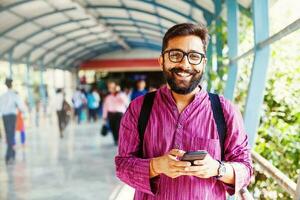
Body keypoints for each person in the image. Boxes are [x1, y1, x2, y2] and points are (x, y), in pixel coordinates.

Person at [115, 23, 253, 199]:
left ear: (203, 63)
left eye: (194, 56)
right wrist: (156, 166)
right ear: (162, 61)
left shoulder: (225, 111)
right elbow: (122, 166)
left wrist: (217, 168)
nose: (184, 64)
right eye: (175, 55)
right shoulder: (139, 108)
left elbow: (246, 169)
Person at [0, 78, 25, 164]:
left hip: (5, 116)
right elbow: (21, 106)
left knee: (8, 134)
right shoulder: (15, 95)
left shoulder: (2, 96)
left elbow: (0, 108)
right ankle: (9, 155)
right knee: (11, 134)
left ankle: (11, 153)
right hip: (12, 116)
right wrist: (23, 112)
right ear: (11, 84)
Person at [102, 81, 129, 145]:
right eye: (110, 87)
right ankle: (116, 140)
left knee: (119, 128)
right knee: (112, 128)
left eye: (113, 87)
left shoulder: (122, 95)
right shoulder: (108, 97)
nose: (111, 89)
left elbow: (126, 103)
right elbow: (105, 107)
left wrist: (119, 93)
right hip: (111, 114)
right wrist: (104, 116)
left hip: (119, 114)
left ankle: (120, 140)